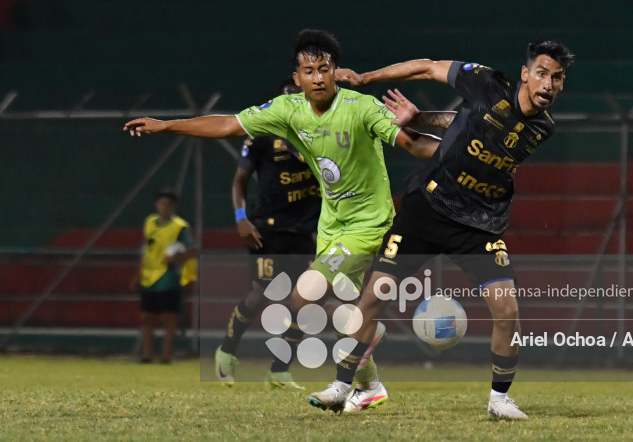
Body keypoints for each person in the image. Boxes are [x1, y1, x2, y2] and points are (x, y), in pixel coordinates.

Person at [124, 29, 442, 411]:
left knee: (305, 293)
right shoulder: (288, 110)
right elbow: (227, 124)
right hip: (330, 226)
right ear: (297, 78)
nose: (318, 78)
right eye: (309, 71)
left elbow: (413, 142)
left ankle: (355, 355)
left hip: (369, 224)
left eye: (324, 69)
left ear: (336, 71)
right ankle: (370, 382)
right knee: (345, 313)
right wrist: (167, 125)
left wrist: (462, 154)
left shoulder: (361, 107)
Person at [313, 39, 575, 420]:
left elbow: (471, 121)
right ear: (525, 73)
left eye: (557, 78)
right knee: (374, 296)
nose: (548, 84)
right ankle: (341, 387)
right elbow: (427, 66)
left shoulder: (543, 128)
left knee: (507, 310)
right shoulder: (486, 82)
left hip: (479, 224)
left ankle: (499, 400)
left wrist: (422, 118)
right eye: (542, 73)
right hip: (429, 207)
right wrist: (367, 79)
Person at [214, 78, 322, 389]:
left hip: (305, 231)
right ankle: (226, 352)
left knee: (306, 300)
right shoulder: (263, 132)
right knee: (260, 293)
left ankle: (279, 370)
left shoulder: (320, 133)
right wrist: (241, 218)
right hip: (268, 229)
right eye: (288, 96)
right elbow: (239, 181)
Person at [135, 188, 198, 364]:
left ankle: (166, 356)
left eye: (168, 205)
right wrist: (139, 273)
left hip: (168, 276)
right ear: (157, 205)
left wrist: (176, 258)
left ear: (173, 207)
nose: (164, 207)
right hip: (149, 276)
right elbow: (146, 249)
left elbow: (193, 250)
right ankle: (147, 355)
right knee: (146, 317)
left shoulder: (180, 227)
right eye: (162, 204)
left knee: (168, 317)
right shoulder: (149, 222)